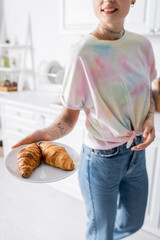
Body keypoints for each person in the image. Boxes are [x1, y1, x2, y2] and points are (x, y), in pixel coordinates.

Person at [12, 0, 157, 239]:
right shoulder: (82, 53)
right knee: (101, 231)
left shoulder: (142, 46)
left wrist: (149, 118)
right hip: (102, 161)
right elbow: (68, 118)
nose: (108, 1)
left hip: (137, 153)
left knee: (133, 223)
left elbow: (147, 93)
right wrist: (46, 134)